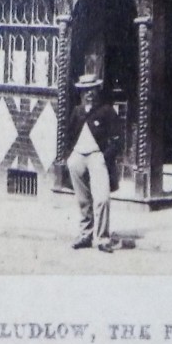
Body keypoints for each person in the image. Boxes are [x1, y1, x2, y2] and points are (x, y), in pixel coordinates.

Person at [66, 74, 122, 252]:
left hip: (97, 157)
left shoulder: (106, 111)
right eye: (85, 90)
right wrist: (71, 155)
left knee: (102, 198)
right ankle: (85, 235)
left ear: (97, 91)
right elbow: (68, 135)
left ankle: (102, 238)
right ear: (81, 93)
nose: (89, 93)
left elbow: (118, 139)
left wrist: (105, 157)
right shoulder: (77, 111)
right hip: (78, 156)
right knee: (83, 199)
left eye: (92, 90)